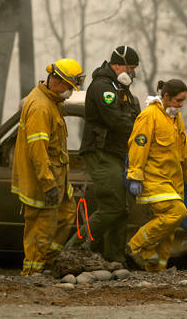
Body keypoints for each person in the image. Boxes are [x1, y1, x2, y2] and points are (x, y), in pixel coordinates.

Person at [11, 58, 85, 275]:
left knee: (65, 216)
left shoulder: (52, 102)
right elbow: (38, 152)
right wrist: (48, 184)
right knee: (40, 230)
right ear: (57, 81)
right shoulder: (40, 107)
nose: (71, 93)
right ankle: (33, 273)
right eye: (69, 88)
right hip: (44, 181)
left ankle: (48, 262)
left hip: (57, 177)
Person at [70, 45, 141, 263]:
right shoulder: (103, 88)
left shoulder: (119, 87)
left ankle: (115, 258)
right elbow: (116, 120)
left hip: (116, 154)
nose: (132, 73)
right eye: (130, 68)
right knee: (113, 206)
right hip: (101, 153)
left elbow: (131, 115)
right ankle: (74, 249)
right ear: (117, 65)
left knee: (123, 209)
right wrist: (140, 130)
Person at [125, 79, 187, 272]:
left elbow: (184, 149)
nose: (181, 105)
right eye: (178, 100)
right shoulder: (149, 116)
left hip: (173, 180)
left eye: (183, 101)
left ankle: (157, 270)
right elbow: (138, 147)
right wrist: (135, 175)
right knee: (177, 213)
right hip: (154, 178)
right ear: (166, 97)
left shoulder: (175, 118)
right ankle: (137, 244)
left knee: (169, 230)